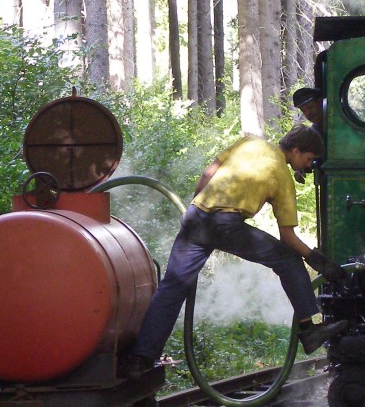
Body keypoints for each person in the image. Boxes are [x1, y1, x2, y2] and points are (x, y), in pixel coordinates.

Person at [123, 126, 349, 379]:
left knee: (171, 290)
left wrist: (195, 208)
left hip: (196, 218)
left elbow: (209, 172)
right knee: (288, 258)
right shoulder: (282, 178)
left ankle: (140, 359)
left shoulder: (250, 142)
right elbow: (288, 238)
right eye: (307, 160)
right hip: (226, 225)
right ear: (295, 150)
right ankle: (309, 330)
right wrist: (322, 264)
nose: (305, 166)